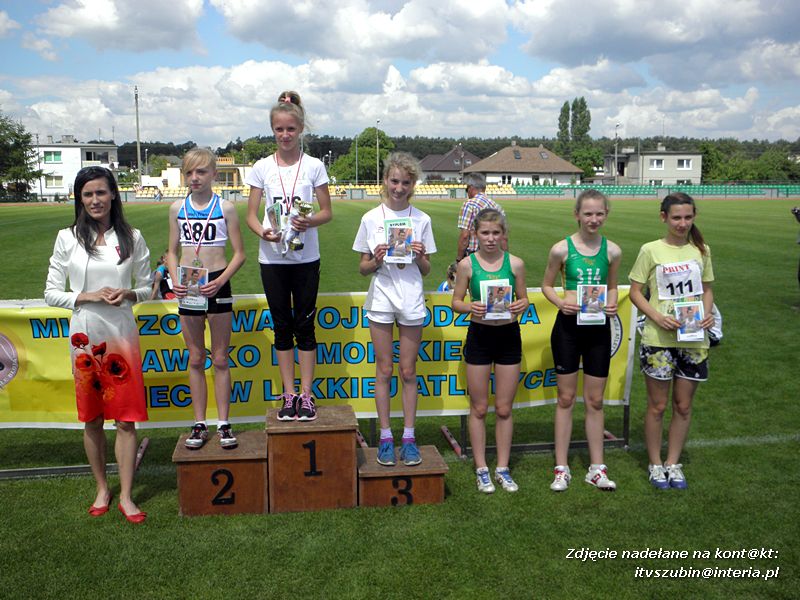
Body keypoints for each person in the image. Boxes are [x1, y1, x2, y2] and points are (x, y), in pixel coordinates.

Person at [44, 166, 151, 523]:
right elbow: (51, 293)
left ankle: (127, 495)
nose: (95, 200)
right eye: (87, 194)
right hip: (85, 337)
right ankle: (102, 488)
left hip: (121, 336)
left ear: (113, 194)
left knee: (126, 420)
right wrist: (87, 296)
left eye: (101, 192)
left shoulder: (132, 237)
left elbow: (147, 287)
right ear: (80, 199)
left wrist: (129, 293)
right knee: (92, 418)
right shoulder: (67, 238)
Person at [245, 91, 332, 422]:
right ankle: (289, 393)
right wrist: (262, 232)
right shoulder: (261, 167)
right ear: (272, 130)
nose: (285, 135)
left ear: (300, 129)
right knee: (282, 327)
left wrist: (309, 221)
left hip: (306, 258)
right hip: (272, 259)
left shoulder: (314, 166)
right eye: (279, 129)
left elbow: (327, 212)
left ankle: (307, 395)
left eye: (291, 129)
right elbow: (251, 215)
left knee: (305, 326)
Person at [353, 152, 436, 466]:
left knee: (408, 371)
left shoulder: (422, 219)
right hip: (382, 298)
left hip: (411, 297)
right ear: (385, 180)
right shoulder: (370, 218)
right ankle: (386, 438)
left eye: (405, 182)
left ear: (413, 185)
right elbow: (362, 268)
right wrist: (375, 259)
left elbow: (426, 269)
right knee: (385, 370)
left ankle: (409, 438)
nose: (399, 188)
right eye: (394, 181)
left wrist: (420, 255)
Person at [629, 192, 715, 490]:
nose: (682, 223)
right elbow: (635, 292)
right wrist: (656, 316)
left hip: (693, 339)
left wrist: (706, 314)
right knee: (658, 405)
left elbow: (707, 289)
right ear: (663, 217)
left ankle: (673, 463)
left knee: (684, 406)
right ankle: (655, 464)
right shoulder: (650, 250)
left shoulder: (701, 250)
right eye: (676, 217)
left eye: (688, 217)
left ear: (694, 217)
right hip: (659, 339)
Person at [541, 189, 622, 492]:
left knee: (595, 400)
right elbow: (547, 285)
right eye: (588, 213)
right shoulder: (561, 249)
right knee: (565, 399)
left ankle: (597, 469)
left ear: (606, 214)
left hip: (598, 328)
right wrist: (561, 303)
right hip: (568, 329)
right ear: (577, 214)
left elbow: (612, 286)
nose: (593, 219)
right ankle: (561, 468)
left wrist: (612, 302)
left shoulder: (612, 251)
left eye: (599, 213)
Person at [167, 147, 246, 450]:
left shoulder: (226, 208)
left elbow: (239, 254)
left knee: (221, 358)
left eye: (201, 171)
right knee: (196, 358)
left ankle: (224, 424)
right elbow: (171, 251)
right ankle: (199, 423)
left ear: (214, 173)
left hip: (217, 282)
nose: (195, 177)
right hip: (188, 283)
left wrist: (221, 280)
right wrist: (175, 279)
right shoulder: (176, 208)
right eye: (189, 172)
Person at [452, 208, 529, 492]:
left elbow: (524, 299)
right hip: (480, 336)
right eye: (485, 233)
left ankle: (503, 468)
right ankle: (482, 468)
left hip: (508, 336)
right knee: (480, 407)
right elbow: (456, 302)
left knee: (505, 408)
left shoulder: (516, 264)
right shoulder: (467, 265)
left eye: (496, 232)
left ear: (503, 234)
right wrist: (469, 307)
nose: (490, 238)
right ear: (475, 234)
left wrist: (522, 304)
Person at [456, 173, 506, 262]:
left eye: (467, 189)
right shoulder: (497, 206)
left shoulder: (469, 204)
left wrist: (458, 259)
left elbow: (465, 236)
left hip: (475, 255)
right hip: (495, 254)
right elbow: (504, 238)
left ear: (471, 188)